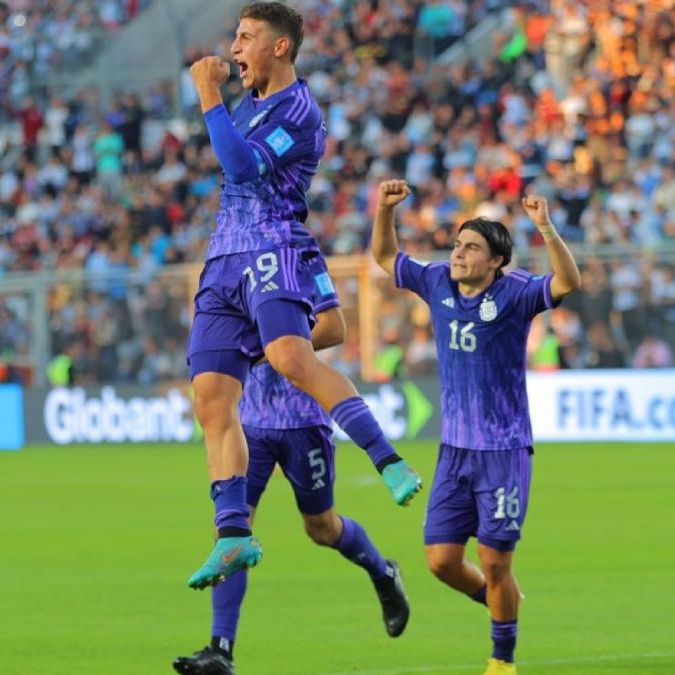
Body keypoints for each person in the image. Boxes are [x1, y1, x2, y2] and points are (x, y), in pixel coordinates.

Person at [185, 2, 422, 590]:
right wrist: (222, 101)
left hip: (271, 248)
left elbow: (241, 168)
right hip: (222, 258)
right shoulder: (249, 104)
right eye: (234, 38)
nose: (234, 48)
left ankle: (387, 459)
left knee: (292, 358)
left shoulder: (299, 109)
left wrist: (207, 97)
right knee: (211, 398)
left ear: (280, 47)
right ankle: (233, 533)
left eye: (246, 38)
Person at [370, 180, 581, 675]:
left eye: (471, 248)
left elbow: (567, 282)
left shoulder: (517, 293)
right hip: (453, 452)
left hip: (503, 451)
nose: (458, 253)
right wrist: (384, 210)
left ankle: (501, 659)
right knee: (441, 561)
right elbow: (385, 256)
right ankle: (502, 602)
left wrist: (546, 227)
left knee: (494, 562)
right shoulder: (438, 281)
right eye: (458, 244)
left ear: (495, 262)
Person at [174, 262, 410, 675]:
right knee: (231, 532)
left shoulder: (299, 261)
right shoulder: (234, 263)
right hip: (251, 425)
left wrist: (274, 346)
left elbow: (334, 328)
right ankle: (220, 649)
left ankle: (383, 572)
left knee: (321, 528)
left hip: (304, 422)